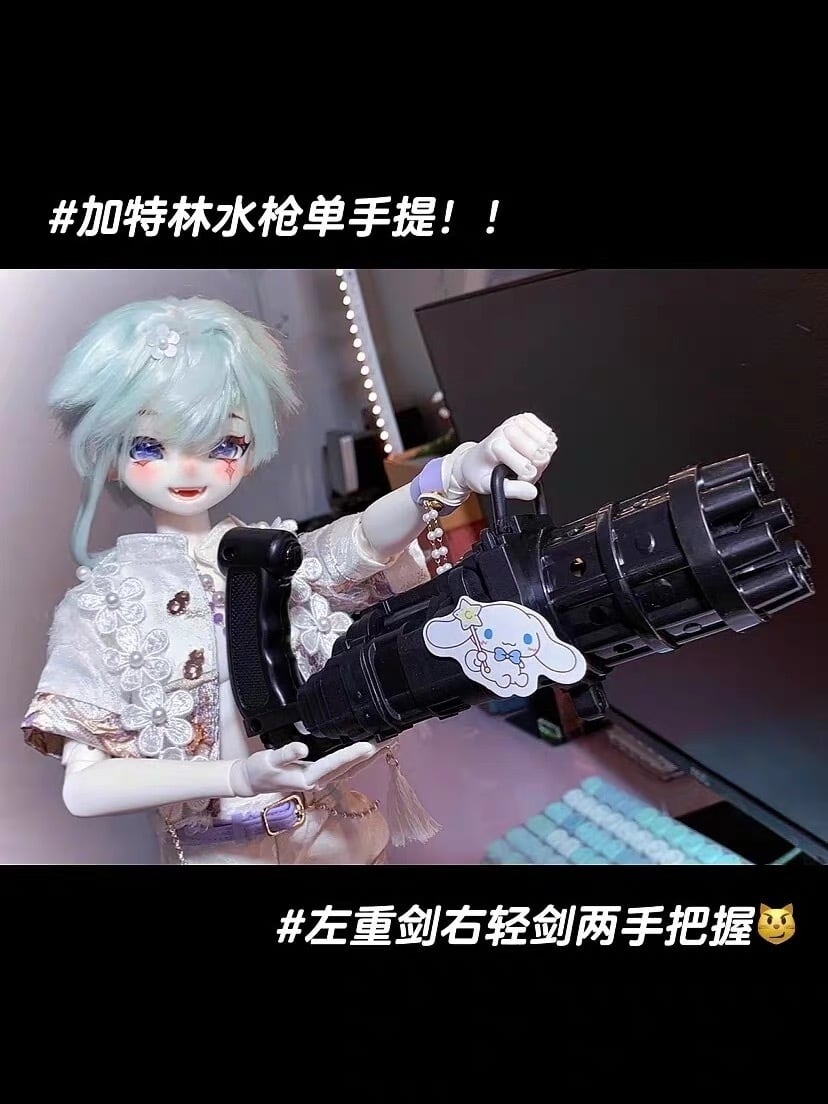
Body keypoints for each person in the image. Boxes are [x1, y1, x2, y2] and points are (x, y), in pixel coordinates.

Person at [21, 295, 557, 865]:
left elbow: (359, 542)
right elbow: (84, 786)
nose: (190, 468)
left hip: (337, 836)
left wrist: (449, 474)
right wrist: (237, 776)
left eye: (223, 444)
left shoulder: (267, 557)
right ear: (109, 450)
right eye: (150, 446)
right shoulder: (103, 605)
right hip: (218, 855)